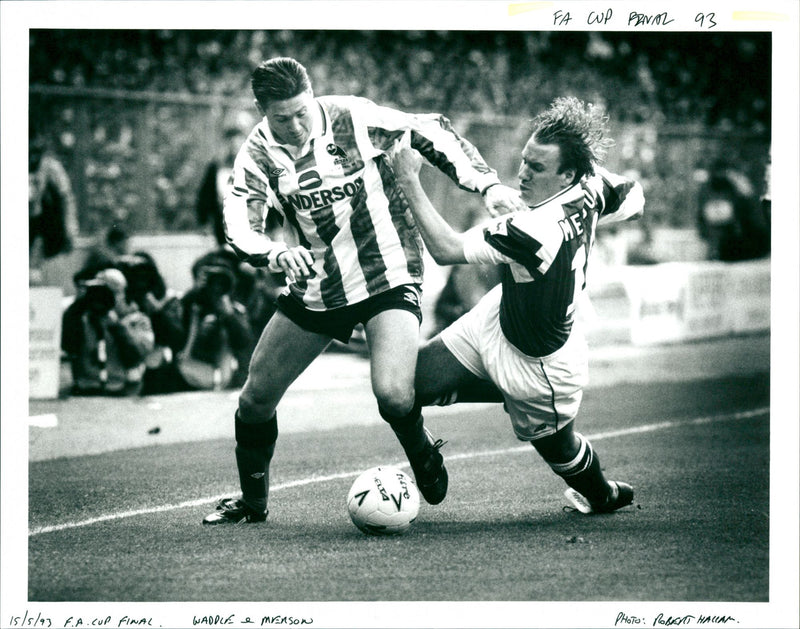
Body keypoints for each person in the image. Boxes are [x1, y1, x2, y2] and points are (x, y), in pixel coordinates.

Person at [203, 56, 524, 525]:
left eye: (301, 112)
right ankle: (252, 504)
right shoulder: (256, 155)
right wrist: (274, 253)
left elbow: (428, 131)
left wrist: (486, 185)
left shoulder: (352, 117)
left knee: (393, 394)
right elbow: (237, 224)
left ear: (312, 98)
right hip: (318, 283)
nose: (294, 125)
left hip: (386, 271)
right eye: (281, 117)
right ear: (260, 110)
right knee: (254, 399)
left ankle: (422, 451)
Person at [391, 96, 644, 515]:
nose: (523, 173)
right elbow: (634, 198)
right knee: (405, 387)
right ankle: (426, 458)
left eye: (537, 168)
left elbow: (446, 248)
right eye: (525, 160)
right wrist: (601, 213)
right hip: (500, 313)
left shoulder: (532, 230)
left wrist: (409, 181)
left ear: (567, 175)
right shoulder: (591, 184)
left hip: (540, 362)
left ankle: (603, 494)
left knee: (560, 450)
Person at [61, 267, 155, 396]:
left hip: (121, 389)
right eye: (100, 291)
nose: (105, 296)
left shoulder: (138, 320)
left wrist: (117, 327)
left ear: (123, 293)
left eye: (112, 292)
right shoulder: (82, 319)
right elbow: (68, 346)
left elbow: (135, 358)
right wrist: (79, 303)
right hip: (85, 389)